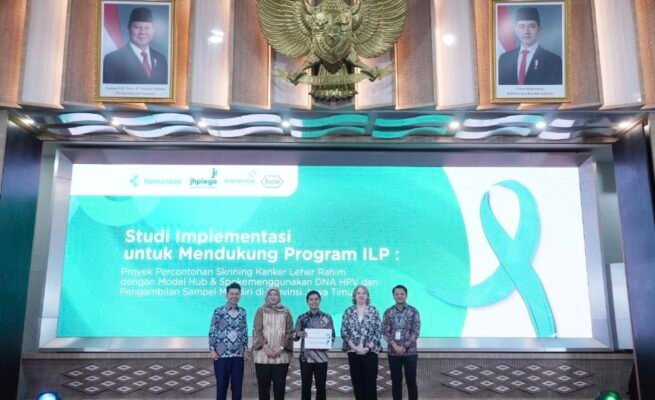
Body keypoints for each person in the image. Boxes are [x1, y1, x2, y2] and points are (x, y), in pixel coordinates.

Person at [102, 7, 168, 84]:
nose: (142, 32)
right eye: (137, 27)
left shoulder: (161, 59)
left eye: (147, 28)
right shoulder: (112, 59)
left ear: (153, 30)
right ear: (129, 29)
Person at [498, 7, 562, 85]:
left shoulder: (554, 61)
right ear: (515, 29)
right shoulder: (504, 59)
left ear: (539, 29)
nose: (526, 31)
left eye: (532, 26)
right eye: (522, 26)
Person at [341, 285, 382, 400]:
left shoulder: (374, 310)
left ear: (367, 296)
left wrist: (368, 347)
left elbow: (379, 330)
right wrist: (354, 347)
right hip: (353, 352)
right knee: (357, 383)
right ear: (354, 296)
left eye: (364, 293)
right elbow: (344, 331)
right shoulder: (348, 311)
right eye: (358, 293)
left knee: (370, 384)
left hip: (370, 352)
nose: (361, 295)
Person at [209, 282, 249, 400]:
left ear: (240, 295)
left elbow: (244, 331)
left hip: (238, 355)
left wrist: (246, 349)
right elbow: (212, 331)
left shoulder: (243, 312)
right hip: (221, 355)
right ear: (226, 295)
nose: (234, 296)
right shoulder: (218, 311)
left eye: (237, 294)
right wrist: (212, 349)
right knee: (222, 386)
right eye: (232, 294)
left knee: (237, 387)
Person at [253, 287, 294, 400]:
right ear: (266, 297)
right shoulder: (260, 310)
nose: (273, 296)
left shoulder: (286, 311)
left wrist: (280, 348)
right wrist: (266, 348)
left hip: (281, 355)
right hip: (263, 355)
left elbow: (289, 332)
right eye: (270, 294)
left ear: (279, 297)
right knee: (263, 388)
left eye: (275, 294)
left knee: (279, 387)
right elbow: (257, 331)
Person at [294, 290, 335, 400]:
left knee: (321, 387)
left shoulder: (327, 318)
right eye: (311, 299)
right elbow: (294, 336)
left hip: (321, 358)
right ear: (307, 302)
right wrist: (298, 334)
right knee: (305, 386)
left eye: (316, 299)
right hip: (305, 358)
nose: (314, 301)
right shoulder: (302, 318)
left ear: (320, 301)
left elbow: (332, 336)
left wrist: (326, 343)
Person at [382, 285, 421, 400]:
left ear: (406, 295)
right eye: (397, 294)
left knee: (411, 381)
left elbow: (416, 331)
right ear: (393, 296)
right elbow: (385, 331)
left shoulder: (413, 311)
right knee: (396, 381)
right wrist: (395, 346)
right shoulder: (388, 312)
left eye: (402, 294)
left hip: (410, 352)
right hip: (393, 353)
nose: (399, 296)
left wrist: (404, 346)